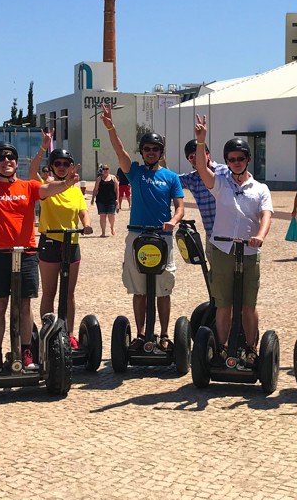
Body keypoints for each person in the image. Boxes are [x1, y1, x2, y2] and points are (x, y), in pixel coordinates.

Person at [0, 136, 79, 372]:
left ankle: (26, 353)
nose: (7, 161)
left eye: (11, 157)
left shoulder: (28, 187)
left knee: (25, 306)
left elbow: (48, 189)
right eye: (1, 158)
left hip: (26, 254)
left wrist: (66, 183)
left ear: (16, 162)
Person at [102, 104, 185, 352]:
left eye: (154, 149)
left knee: (163, 289)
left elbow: (180, 207)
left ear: (161, 152)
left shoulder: (171, 177)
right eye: (147, 149)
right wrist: (111, 128)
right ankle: (140, 334)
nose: (150, 152)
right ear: (142, 151)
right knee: (139, 289)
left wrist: (174, 221)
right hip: (137, 234)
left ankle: (164, 335)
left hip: (162, 235)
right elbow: (120, 150)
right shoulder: (135, 172)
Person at [192, 117, 273, 361]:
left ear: (248, 159)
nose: (236, 162)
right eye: (231, 159)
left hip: (249, 251)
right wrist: (200, 141)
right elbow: (201, 168)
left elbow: (266, 215)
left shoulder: (260, 188)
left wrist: (260, 236)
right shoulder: (220, 184)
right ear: (226, 162)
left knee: (249, 304)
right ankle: (223, 348)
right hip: (223, 249)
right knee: (223, 304)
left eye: (240, 158)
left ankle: (251, 348)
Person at [38, 147, 93, 349]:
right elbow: (32, 172)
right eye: (57, 163)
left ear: (71, 167)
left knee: (69, 293)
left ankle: (69, 333)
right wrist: (43, 147)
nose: (62, 167)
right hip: (50, 242)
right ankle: (48, 332)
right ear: (51, 166)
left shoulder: (76, 191)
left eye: (66, 164)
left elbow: (83, 212)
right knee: (49, 292)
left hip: (71, 243)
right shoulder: (46, 187)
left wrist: (86, 224)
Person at [178, 138, 223, 238]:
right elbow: (170, 179)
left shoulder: (224, 172)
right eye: (191, 157)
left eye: (198, 154)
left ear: (207, 154)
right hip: (211, 236)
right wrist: (161, 158)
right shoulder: (192, 179)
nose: (196, 159)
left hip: (230, 235)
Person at [92, 164, 118, 237]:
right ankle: (103, 232)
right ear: (102, 170)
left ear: (109, 169)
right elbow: (95, 189)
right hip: (101, 200)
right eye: (104, 169)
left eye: (107, 169)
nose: (105, 170)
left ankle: (112, 227)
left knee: (111, 215)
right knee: (102, 216)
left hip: (111, 199)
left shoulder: (113, 178)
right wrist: (93, 198)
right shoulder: (99, 179)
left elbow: (116, 189)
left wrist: (117, 199)